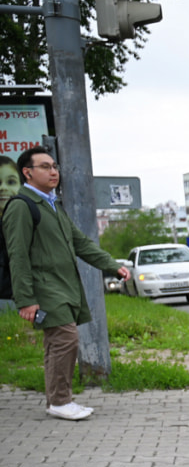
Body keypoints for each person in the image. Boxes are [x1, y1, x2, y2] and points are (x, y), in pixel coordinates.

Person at [3, 147, 131, 421]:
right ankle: (61, 401)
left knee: (56, 343)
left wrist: (111, 265)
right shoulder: (21, 206)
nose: (53, 172)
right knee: (65, 338)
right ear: (28, 172)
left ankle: (56, 401)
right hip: (45, 287)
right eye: (45, 167)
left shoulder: (51, 205)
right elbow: (18, 255)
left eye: (55, 167)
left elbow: (80, 243)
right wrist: (24, 299)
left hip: (63, 285)